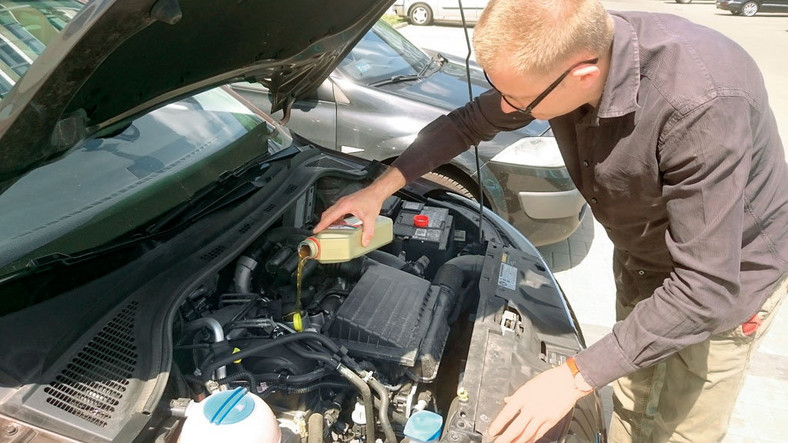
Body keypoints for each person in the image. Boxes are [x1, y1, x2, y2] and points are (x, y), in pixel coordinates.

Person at [314, 0, 788, 441]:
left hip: (728, 280)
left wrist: (572, 378)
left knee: (674, 426)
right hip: (644, 253)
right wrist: (380, 188)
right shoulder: (571, 53)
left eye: (519, 99)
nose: (507, 107)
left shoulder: (700, 104)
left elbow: (705, 286)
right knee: (636, 385)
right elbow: (467, 124)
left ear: (583, 74)